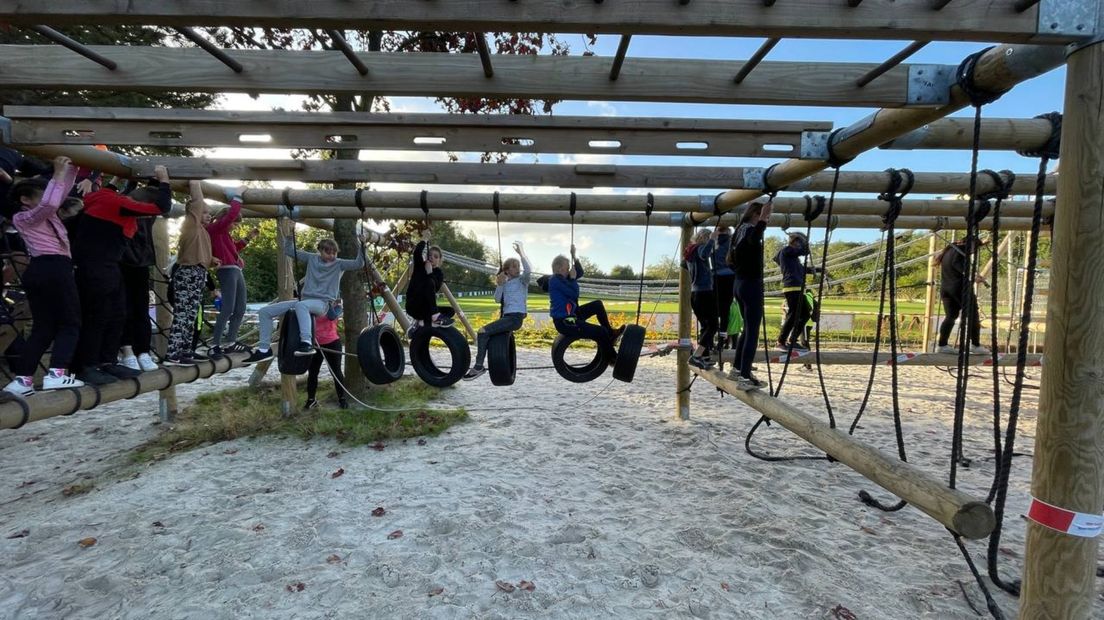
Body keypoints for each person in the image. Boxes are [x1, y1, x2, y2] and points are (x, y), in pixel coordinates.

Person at [70, 166, 172, 384]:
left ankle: (107, 361)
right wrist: (164, 180)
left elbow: (109, 189)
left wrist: (117, 176)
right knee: (96, 316)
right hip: (96, 264)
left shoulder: (102, 196)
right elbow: (161, 206)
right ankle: (87, 366)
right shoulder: (118, 204)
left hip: (108, 264)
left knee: (117, 314)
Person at [2, 156, 84, 396]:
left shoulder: (48, 215)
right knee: (70, 322)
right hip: (52, 267)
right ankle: (57, 373)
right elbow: (49, 203)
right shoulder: (24, 217)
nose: (49, 198)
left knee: (43, 327)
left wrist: (73, 169)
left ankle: (23, 379)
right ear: (25, 200)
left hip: (43, 270)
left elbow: (55, 197)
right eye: (40, 194)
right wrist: (58, 172)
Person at [243, 231, 366, 364]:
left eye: (334, 253)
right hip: (304, 301)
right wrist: (289, 235)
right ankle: (263, 350)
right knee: (265, 312)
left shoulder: (339, 264)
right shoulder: (312, 258)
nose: (331, 256)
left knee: (301, 305)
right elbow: (289, 250)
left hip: (323, 304)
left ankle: (306, 343)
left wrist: (362, 245)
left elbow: (358, 263)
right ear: (319, 250)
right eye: (327, 252)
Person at [163, 181, 221, 366]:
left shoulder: (201, 232)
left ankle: (186, 351)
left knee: (192, 314)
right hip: (187, 273)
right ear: (194, 213)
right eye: (205, 212)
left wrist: (212, 260)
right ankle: (173, 353)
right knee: (182, 314)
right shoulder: (191, 224)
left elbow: (199, 254)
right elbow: (196, 202)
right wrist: (195, 182)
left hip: (198, 273)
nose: (208, 216)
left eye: (210, 214)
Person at [546, 243, 623, 365]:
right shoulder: (555, 280)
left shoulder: (563, 279)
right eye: (567, 268)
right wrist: (572, 279)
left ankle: (611, 334)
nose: (569, 270)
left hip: (572, 315)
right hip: (565, 321)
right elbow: (574, 294)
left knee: (597, 305)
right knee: (600, 332)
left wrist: (574, 256)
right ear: (560, 269)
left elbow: (580, 272)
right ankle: (613, 359)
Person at [464, 241, 530, 381]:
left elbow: (528, 270)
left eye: (518, 266)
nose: (518, 268)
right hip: (507, 318)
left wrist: (521, 254)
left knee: (483, 331)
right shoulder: (504, 284)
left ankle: (478, 366)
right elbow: (497, 299)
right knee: (484, 333)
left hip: (515, 318)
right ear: (506, 270)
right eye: (514, 266)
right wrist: (500, 285)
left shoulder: (522, 281)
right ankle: (479, 364)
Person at [206, 186, 260, 357]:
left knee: (240, 308)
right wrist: (237, 197)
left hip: (236, 270)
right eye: (235, 223)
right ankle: (214, 344)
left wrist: (248, 238)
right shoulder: (215, 228)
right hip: (226, 270)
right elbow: (230, 215)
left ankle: (230, 341)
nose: (235, 227)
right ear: (227, 220)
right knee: (228, 308)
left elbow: (234, 247)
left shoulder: (225, 234)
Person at [727, 199, 772, 390]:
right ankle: (744, 376)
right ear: (756, 215)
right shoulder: (749, 231)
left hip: (739, 283)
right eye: (765, 217)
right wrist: (763, 219)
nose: (767, 220)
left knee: (748, 329)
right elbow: (754, 237)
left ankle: (738, 369)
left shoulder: (738, 231)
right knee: (753, 330)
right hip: (750, 284)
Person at [935, 237, 989, 355]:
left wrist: (982, 243)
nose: (974, 252)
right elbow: (957, 263)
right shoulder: (961, 249)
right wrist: (972, 276)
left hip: (946, 289)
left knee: (951, 316)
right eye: (975, 248)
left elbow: (955, 262)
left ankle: (942, 345)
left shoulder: (949, 250)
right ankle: (975, 344)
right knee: (973, 315)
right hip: (960, 289)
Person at [773, 231, 824, 352]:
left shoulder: (793, 259)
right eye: (799, 242)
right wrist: (804, 241)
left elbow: (802, 269)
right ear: (794, 242)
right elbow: (804, 251)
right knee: (793, 314)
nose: (800, 245)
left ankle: (791, 340)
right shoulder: (786, 251)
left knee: (805, 314)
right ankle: (781, 341)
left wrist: (819, 269)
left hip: (797, 287)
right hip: (792, 287)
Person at [404, 229, 454, 336]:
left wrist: (430, 272)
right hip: (413, 305)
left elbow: (434, 289)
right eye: (430, 255)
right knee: (428, 282)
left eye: (436, 256)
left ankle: (420, 323)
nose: (432, 257)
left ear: (439, 260)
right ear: (426, 256)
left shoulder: (439, 273)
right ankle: (433, 318)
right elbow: (417, 252)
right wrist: (424, 239)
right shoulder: (419, 266)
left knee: (450, 311)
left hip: (426, 309)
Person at [684, 229, 718, 369]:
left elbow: (683, 264)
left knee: (705, 325)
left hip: (695, 293)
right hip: (704, 292)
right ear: (705, 238)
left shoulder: (690, 251)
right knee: (713, 325)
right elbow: (704, 254)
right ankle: (697, 356)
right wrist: (712, 239)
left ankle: (704, 355)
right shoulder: (699, 249)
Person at [305, 301, 349, 410]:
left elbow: (331, 316)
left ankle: (342, 398)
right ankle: (311, 400)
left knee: (336, 372)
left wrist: (328, 303)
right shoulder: (313, 306)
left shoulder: (337, 307)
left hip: (332, 343)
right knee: (313, 373)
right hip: (315, 344)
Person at [712, 224, 736, 350]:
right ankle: (722, 340)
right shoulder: (732, 242)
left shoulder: (713, 242)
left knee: (714, 310)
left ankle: (710, 340)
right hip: (730, 276)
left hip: (715, 276)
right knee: (725, 310)